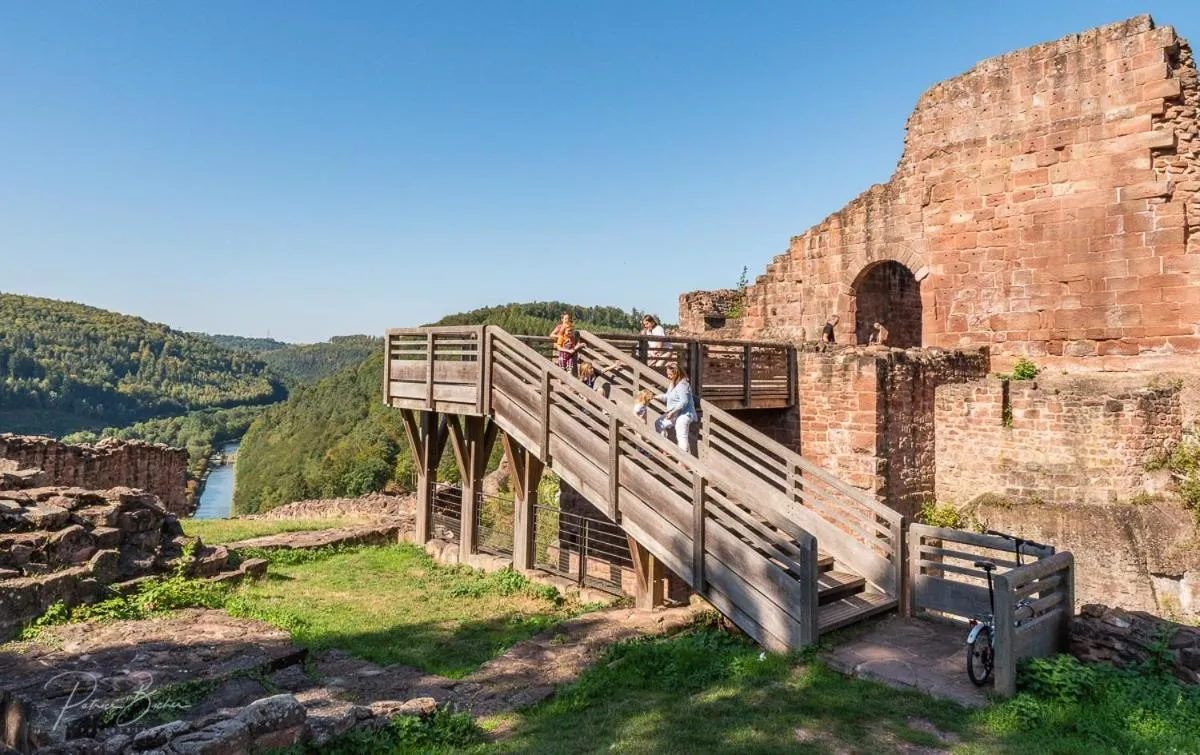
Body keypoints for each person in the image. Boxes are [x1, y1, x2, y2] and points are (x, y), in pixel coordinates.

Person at [654, 364, 698, 454]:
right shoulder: (672, 383)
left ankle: (683, 461)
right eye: (668, 374)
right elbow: (667, 396)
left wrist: (672, 412)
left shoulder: (683, 384)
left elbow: (684, 402)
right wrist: (655, 397)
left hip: (684, 414)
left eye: (670, 374)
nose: (668, 376)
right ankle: (663, 448)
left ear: (677, 373)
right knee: (659, 423)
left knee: (681, 435)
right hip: (674, 414)